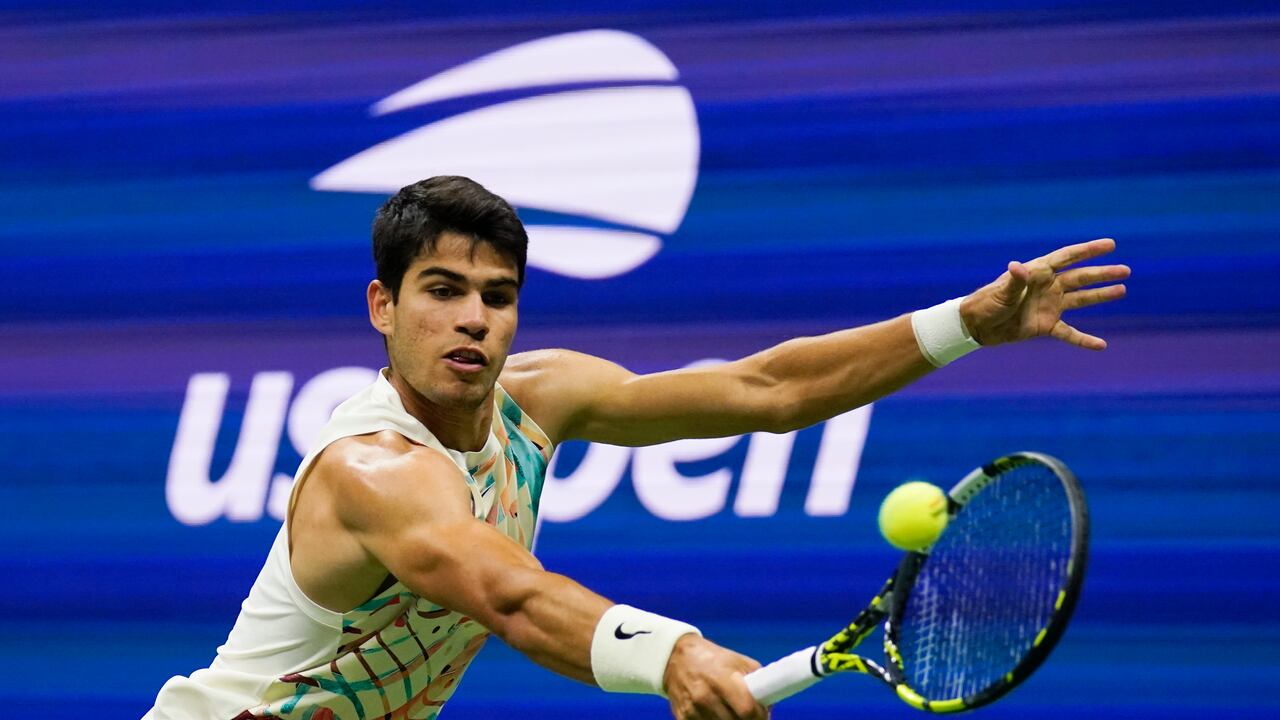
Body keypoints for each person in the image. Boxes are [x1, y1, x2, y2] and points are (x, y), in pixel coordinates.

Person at [146, 176, 1129, 720]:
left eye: (495, 297)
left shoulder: (538, 399)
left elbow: (765, 388)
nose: (472, 319)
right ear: (382, 308)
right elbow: (511, 595)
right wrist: (670, 654)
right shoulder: (375, 469)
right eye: (441, 290)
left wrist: (962, 323)